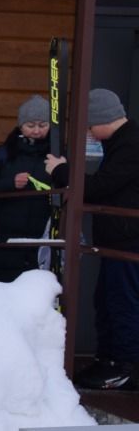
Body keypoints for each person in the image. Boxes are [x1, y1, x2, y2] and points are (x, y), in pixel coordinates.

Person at [46, 88, 139, 390]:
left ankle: (125, 366)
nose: (89, 132)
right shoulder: (123, 142)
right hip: (118, 240)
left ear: (102, 119)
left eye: (89, 125)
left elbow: (100, 186)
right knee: (108, 301)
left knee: (122, 302)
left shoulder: (130, 145)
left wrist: (61, 171)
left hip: (127, 241)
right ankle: (109, 360)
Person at [0, 95, 53, 282]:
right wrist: (10, 183)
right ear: (20, 125)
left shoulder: (57, 154)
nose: (36, 131)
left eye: (42, 125)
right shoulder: (4, 152)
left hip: (41, 241)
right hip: (5, 240)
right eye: (30, 125)